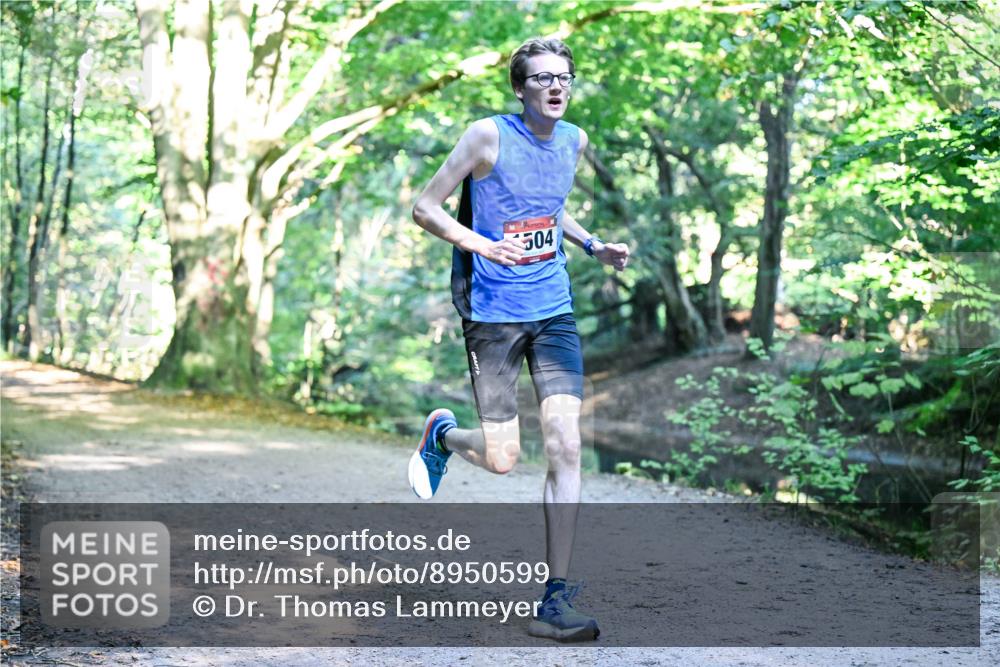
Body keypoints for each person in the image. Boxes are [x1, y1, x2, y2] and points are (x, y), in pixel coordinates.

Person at [408, 37, 629, 642]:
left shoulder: (574, 140)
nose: (556, 87)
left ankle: (553, 599)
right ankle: (444, 435)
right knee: (504, 459)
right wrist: (483, 244)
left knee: (565, 445)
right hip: (494, 313)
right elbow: (425, 208)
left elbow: (548, 207)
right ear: (520, 88)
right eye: (542, 79)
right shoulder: (487, 136)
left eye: (565, 77)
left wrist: (592, 245)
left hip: (553, 309)